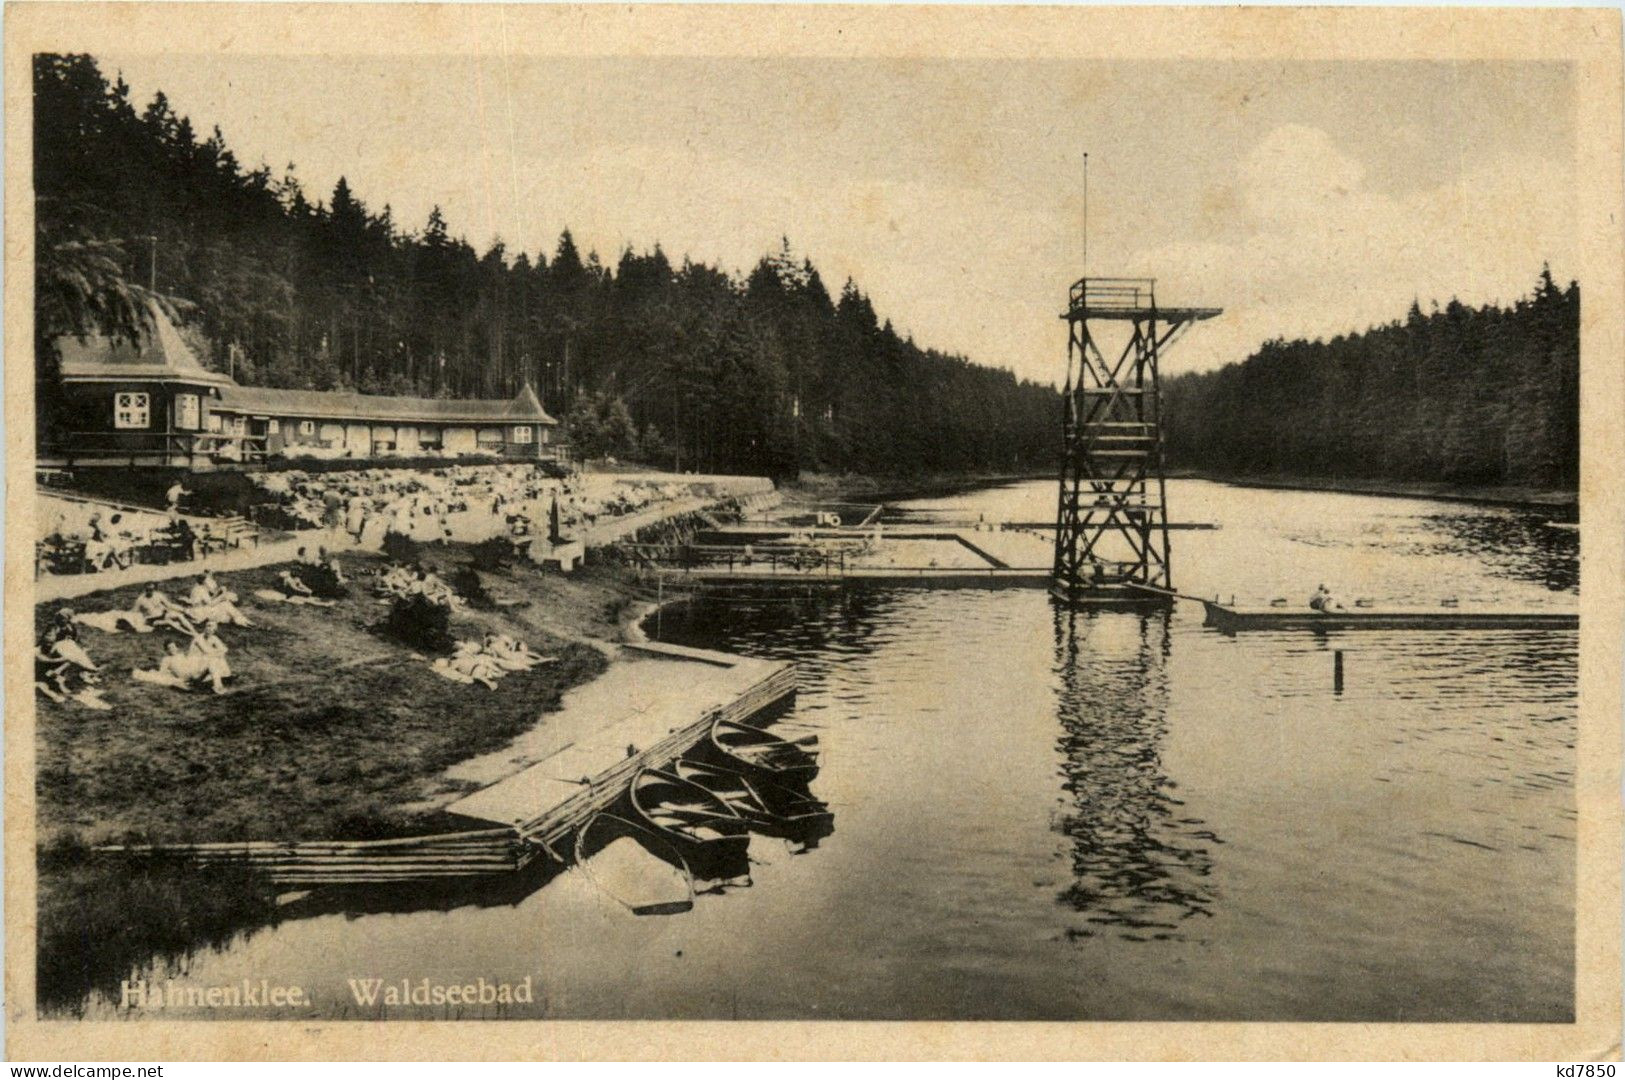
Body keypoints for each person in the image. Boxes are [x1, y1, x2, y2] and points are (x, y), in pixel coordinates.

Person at [133, 639, 211, 691]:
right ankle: (198, 680)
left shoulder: (181, 655)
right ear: (167, 650)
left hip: (189, 670)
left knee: (203, 664)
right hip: (183, 675)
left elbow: (188, 662)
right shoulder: (167, 659)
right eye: (169, 648)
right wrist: (170, 674)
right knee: (196, 676)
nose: (172, 649)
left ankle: (202, 676)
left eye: (173, 647)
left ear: (176, 647)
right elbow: (162, 672)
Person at [132, 583, 196, 635]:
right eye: (147, 589)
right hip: (153, 621)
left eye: (151, 589)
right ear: (145, 590)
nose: (150, 591)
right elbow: (134, 612)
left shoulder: (158, 595)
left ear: (154, 589)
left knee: (179, 616)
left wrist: (182, 610)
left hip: (163, 615)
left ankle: (194, 631)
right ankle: (189, 634)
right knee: (169, 622)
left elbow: (169, 605)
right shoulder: (140, 599)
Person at [187, 620, 232, 693]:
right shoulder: (198, 638)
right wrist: (218, 652)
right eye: (208, 626)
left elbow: (224, 649)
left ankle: (223, 678)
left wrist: (219, 652)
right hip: (194, 669)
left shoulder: (213, 638)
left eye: (212, 627)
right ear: (205, 627)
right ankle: (218, 687)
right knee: (213, 660)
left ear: (214, 630)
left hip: (203, 667)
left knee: (217, 658)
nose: (209, 628)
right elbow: (206, 651)